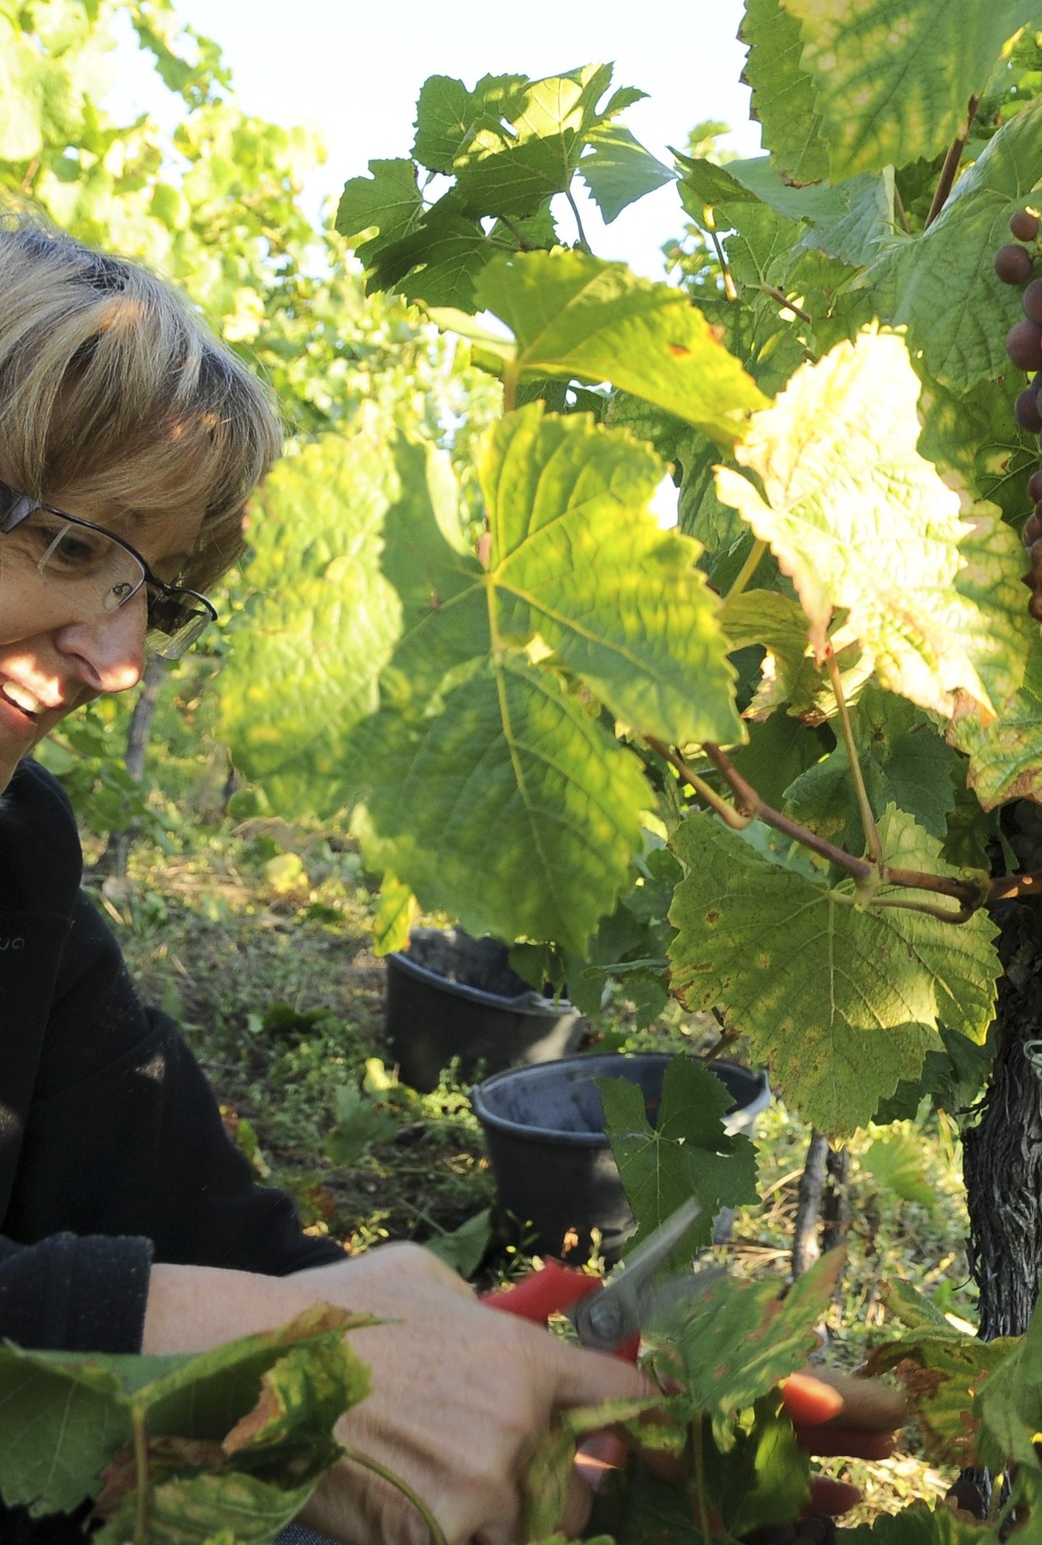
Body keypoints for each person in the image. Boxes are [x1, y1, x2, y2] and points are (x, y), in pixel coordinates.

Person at [0, 222, 896, 1545]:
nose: (121, 655)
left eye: (158, 593)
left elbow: (184, 1215)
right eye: (78, 547)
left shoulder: (18, 864)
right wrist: (253, 1350)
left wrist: (506, 1376)